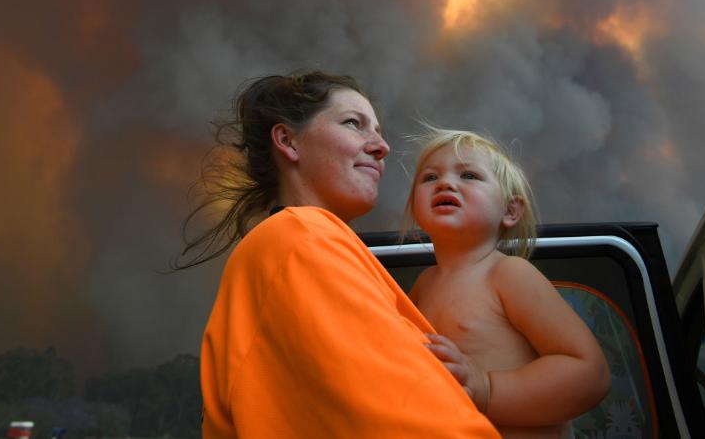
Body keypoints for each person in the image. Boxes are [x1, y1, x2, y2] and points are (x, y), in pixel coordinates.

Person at [182, 71, 499, 438]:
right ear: (288, 141)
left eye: (379, 131)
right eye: (354, 124)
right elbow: (405, 421)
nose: (382, 146)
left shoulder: (296, 243)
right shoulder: (301, 238)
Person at [403, 127, 610, 439]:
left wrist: (488, 389)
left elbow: (589, 373)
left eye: (469, 175)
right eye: (430, 177)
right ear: (415, 209)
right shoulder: (423, 285)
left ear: (511, 210)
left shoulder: (510, 274)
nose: (445, 182)